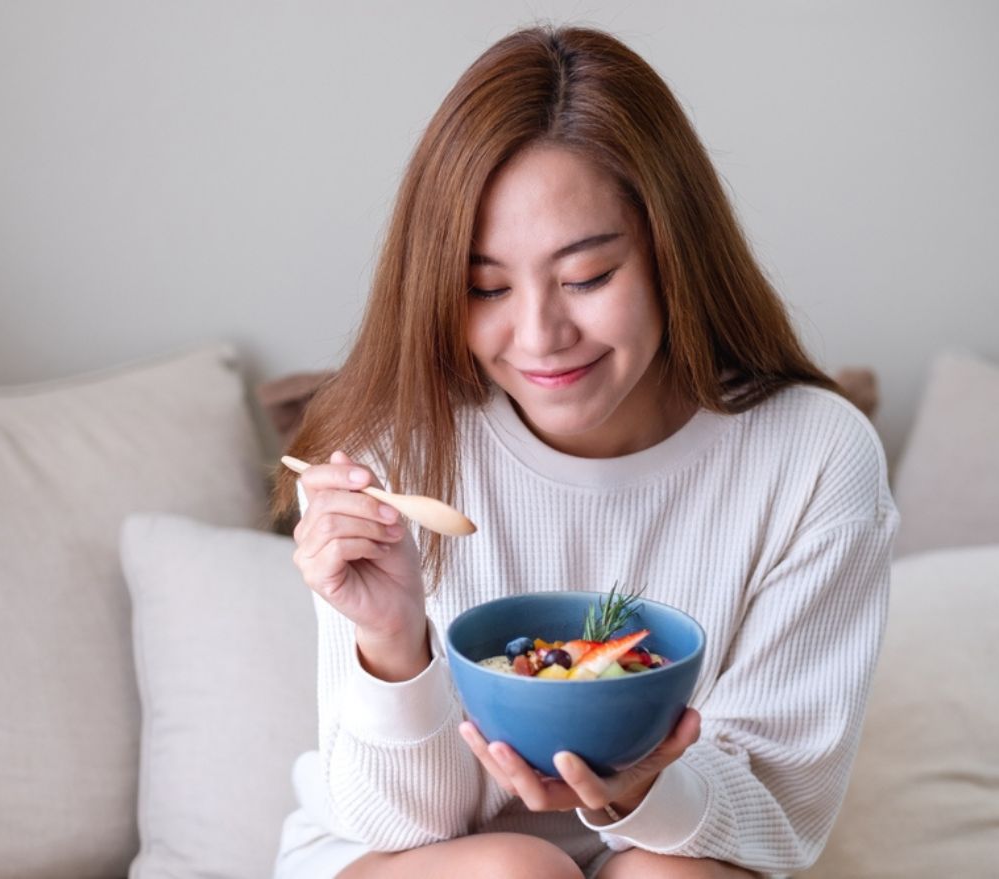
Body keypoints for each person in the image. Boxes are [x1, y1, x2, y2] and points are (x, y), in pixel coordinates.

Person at [272, 24, 898, 879]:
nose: (540, 336)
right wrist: (391, 640)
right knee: (515, 872)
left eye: (587, 277)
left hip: (682, 852)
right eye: (485, 287)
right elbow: (392, 822)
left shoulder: (815, 456)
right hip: (411, 858)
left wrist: (641, 790)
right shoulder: (391, 454)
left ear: (674, 251)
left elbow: (778, 817)